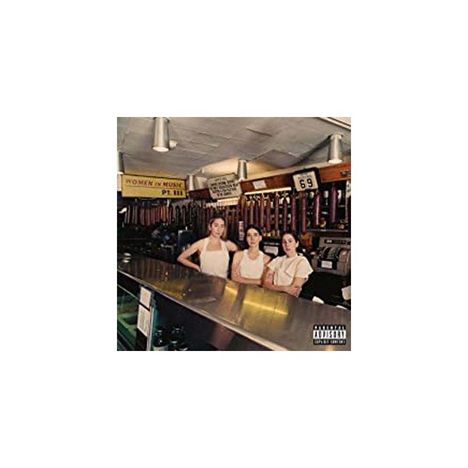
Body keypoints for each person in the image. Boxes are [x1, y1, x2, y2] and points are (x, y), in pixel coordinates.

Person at [263, 231, 313, 297]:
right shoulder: (277, 260)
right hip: (272, 298)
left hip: (290, 300)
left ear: (297, 244)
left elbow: (294, 291)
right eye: (284, 242)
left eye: (290, 241)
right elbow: (265, 284)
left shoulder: (301, 261)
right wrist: (285, 288)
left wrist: (274, 287)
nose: (287, 245)